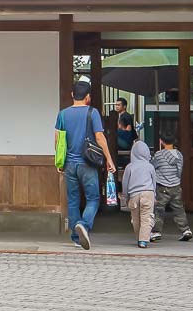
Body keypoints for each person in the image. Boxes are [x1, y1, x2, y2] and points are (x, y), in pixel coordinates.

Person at [54, 80, 116, 250]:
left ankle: (76, 237)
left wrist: (59, 162)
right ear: (88, 97)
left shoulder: (62, 114)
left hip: (69, 164)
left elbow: (58, 140)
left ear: (72, 95)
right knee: (94, 198)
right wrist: (109, 159)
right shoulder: (92, 112)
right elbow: (100, 137)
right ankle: (84, 224)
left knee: (73, 201)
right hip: (88, 164)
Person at [150, 131, 192, 242]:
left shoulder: (159, 155)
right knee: (179, 209)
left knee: (158, 210)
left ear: (161, 141)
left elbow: (152, 167)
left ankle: (156, 232)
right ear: (174, 142)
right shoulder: (179, 155)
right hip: (176, 186)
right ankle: (185, 230)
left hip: (162, 187)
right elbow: (180, 171)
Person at [122, 140, 156, 249]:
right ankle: (143, 240)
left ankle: (139, 238)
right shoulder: (150, 166)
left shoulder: (129, 167)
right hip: (148, 193)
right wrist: (154, 195)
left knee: (135, 219)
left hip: (134, 195)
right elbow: (154, 182)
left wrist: (125, 196)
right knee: (147, 218)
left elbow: (125, 183)